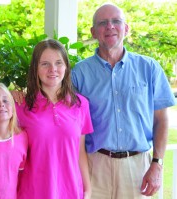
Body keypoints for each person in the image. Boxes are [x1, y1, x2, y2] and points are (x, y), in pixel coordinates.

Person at [71, 3, 176, 199]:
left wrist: (157, 164)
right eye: (103, 23)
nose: (110, 26)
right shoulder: (79, 73)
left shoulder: (149, 68)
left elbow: (161, 120)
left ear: (126, 28)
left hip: (137, 169)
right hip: (95, 167)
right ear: (94, 32)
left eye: (116, 21)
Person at [15, 39, 93, 199]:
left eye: (58, 63)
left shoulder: (80, 104)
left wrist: (87, 189)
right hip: (33, 192)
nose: (53, 69)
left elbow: (80, 152)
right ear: (35, 68)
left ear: (66, 67)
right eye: (45, 64)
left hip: (71, 190)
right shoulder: (20, 105)